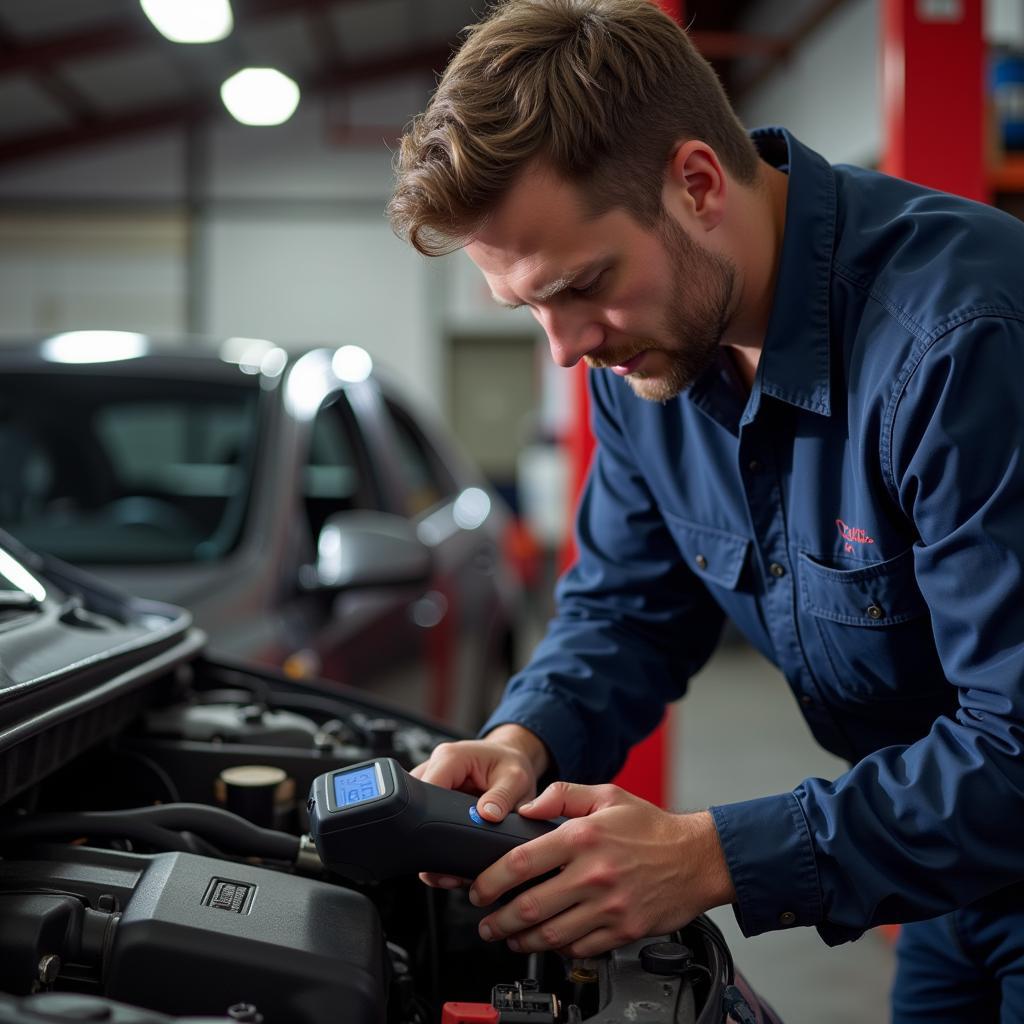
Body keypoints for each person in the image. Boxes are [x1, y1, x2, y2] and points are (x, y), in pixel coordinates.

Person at [387, 1, 1024, 1019]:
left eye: (584, 285)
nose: (564, 347)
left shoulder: (963, 339)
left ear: (694, 184)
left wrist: (708, 854)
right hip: (949, 871)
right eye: (530, 309)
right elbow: (625, 607)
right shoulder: (645, 361)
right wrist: (525, 738)